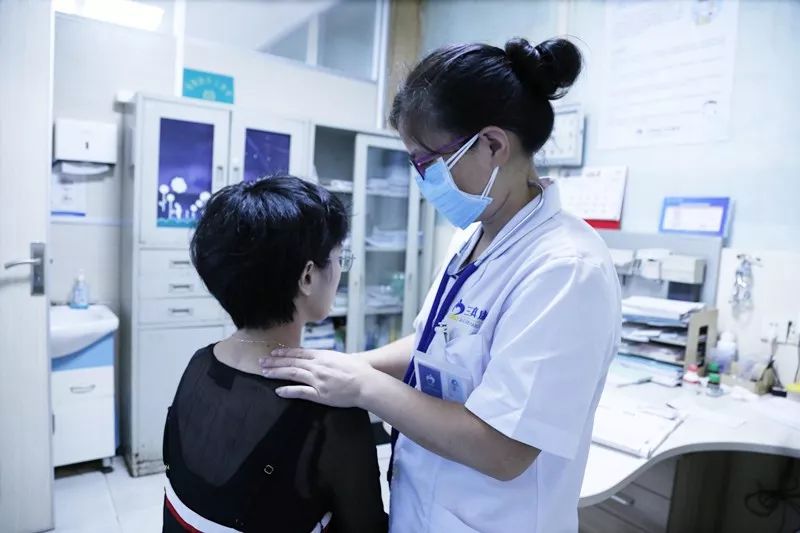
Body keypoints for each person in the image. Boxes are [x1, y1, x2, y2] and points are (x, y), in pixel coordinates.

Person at [260, 37, 622, 533]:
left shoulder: (566, 271)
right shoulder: (473, 235)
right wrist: (347, 365)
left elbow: (504, 450)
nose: (422, 178)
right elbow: (438, 343)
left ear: (493, 145)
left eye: (428, 161)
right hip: (423, 506)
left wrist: (364, 387)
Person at [162, 176, 388, 533]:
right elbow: (367, 527)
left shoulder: (199, 365)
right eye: (338, 258)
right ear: (307, 277)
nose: (340, 271)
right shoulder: (329, 408)